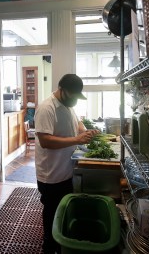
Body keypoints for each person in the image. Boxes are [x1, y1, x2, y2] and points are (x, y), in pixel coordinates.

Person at [34, 73, 100, 254]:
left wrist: (86, 132)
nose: (75, 101)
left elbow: (77, 123)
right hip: (51, 173)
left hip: (66, 169)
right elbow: (45, 141)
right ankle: (49, 246)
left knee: (62, 209)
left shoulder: (68, 104)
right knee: (51, 210)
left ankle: (59, 241)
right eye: (73, 96)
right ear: (61, 90)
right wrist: (77, 139)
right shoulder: (47, 108)